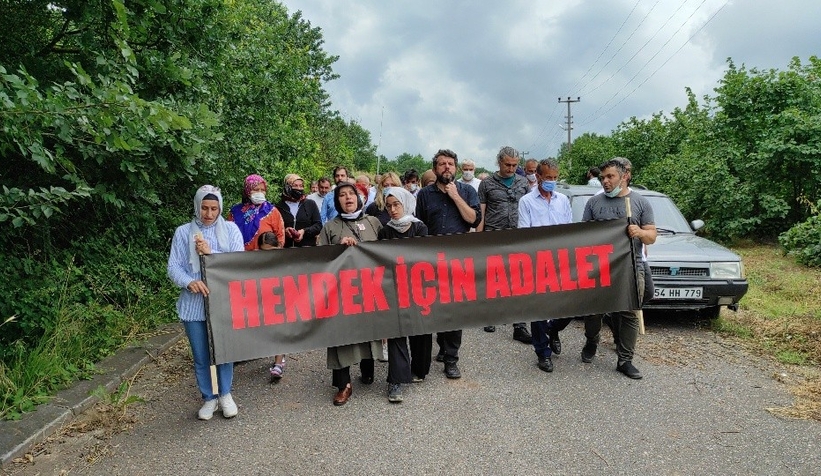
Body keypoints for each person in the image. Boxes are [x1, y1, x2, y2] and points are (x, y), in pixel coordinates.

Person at [167, 185, 245, 420]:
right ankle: (209, 397)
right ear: (197, 206)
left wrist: (211, 255)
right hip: (194, 304)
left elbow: (238, 264)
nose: (209, 214)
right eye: (204, 208)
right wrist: (189, 282)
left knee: (222, 350)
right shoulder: (183, 232)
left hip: (222, 302)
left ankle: (225, 394)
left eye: (214, 208)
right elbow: (173, 267)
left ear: (220, 208)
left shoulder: (230, 230)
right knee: (202, 354)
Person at [581, 158, 657, 379]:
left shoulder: (640, 203)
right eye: (602, 177)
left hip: (630, 266)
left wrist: (640, 233)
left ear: (624, 176)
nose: (605, 181)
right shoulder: (594, 204)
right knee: (593, 310)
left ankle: (625, 359)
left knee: (629, 311)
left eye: (610, 177)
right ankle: (591, 340)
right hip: (599, 266)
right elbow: (583, 236)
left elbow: (651, 236)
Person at [415, 148, 482, 379]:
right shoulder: (424, 194)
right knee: (435, 308)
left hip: (457, 261)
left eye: (450, 164)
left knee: (454, 310)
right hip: (431, 260)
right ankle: (442, 346)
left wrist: (455, 196)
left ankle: (452, 359)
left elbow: (473, 219)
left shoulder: (466, 191)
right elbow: (420, 226)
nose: (447, 167)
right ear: (435, 169)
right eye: (442, 164)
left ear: (455, 168)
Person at [319, 182, 384, 405]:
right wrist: (339, 248)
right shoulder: (330, 227)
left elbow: (386, 253)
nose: (348, 198)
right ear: (337, 202)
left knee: (368, 330)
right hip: (341, 291)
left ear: (359, 198)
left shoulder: (373, 222)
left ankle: (368, 368)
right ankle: (343, 384)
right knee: (341, 335)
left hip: (369, 288)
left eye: (351, 194)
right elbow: (320, 260)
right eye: (342, 195)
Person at [517, 159, 573, 373]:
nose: (551, 181)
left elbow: (569, 231)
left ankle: (553, 330)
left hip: (561, 261)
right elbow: (525, 234)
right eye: (547, 177)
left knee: (568, 307)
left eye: (554, 178)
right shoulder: (526, 201)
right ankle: (543, 353)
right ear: (538, 177)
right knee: (539, 309)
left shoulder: (563, 201)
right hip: (537, 262)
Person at [377, 186, 431, 403]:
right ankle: (396, 380)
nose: (392, 210)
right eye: (388, 206)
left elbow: (422, 257)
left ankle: (419, 369)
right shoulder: (385, 231)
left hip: (417, 287)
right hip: (394, 287)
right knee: (396, 329)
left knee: (420, 329)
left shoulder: (420, 228)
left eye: (396, 204)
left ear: (406, 203)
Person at [476, 146, 532, 344]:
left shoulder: (523, 182)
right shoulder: (487, 184)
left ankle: (520, 325)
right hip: (494, 234)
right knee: (494, 278)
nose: (510, 168)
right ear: (499, 162)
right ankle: (491, 315)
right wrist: (479, 237)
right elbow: (481, 212)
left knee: (519, 281)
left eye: (514, 165)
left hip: (518, 236)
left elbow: (529, 207)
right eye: (507, 164)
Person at [227, 174, 285, 251]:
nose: (260, 193)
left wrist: (275, 252)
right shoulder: (235, 212)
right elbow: (228, 234)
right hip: (240, 258)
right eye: (256, 190)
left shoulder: (272, 211)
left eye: (263, 190)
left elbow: (280, 235)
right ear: (248, 190)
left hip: (266, 258)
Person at [275, 174, 322, 249]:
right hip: (286, 251)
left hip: (307, 250)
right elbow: (275, 228)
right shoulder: (279, 207)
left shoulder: (310, 204)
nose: (299, 188)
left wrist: (304, 231)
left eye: (301, 186)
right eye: (295, 185)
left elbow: (318, 225)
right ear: (288, 187)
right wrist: (285, 231)